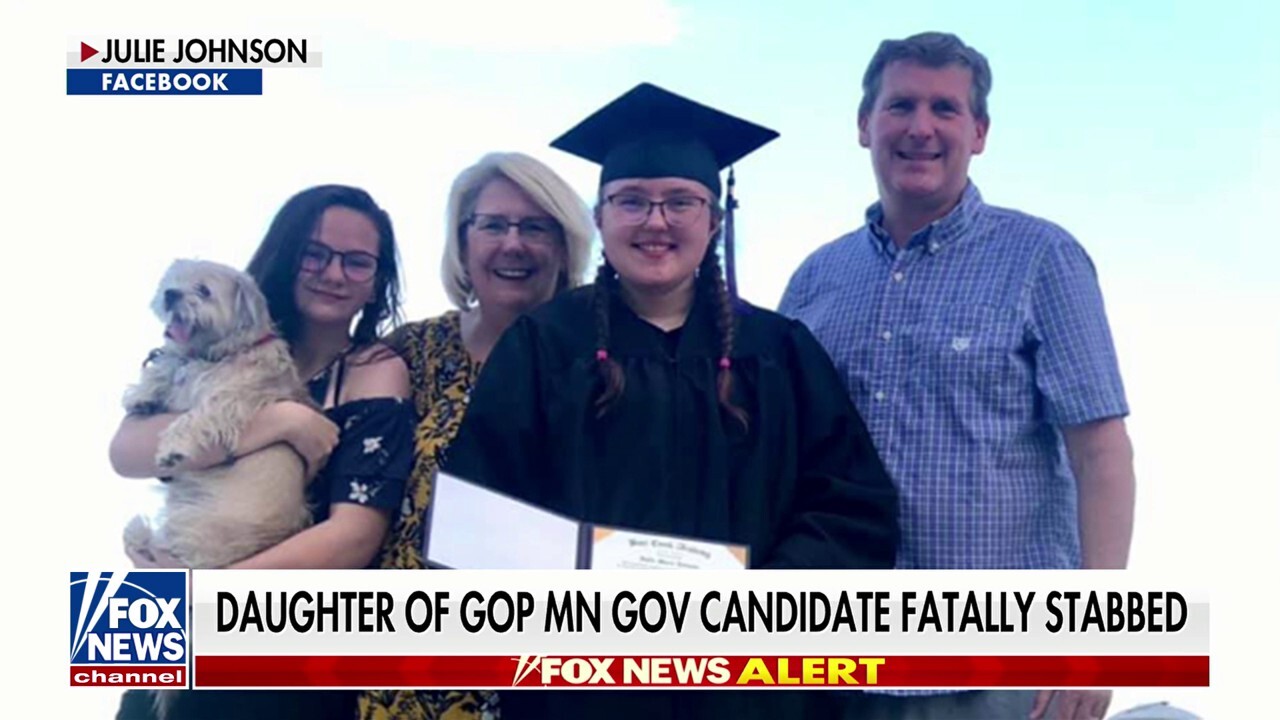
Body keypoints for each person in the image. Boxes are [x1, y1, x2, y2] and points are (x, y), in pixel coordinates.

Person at [440, 83, 900, 720]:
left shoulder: (781, 352)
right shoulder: (545, 346)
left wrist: (759, 605)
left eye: (681, 202)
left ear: (713, 221)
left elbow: (851, 509)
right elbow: (477, 515)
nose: (655, 222)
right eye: (631, 201)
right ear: (600, 219)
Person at [779, 31, 1136, 720]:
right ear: (864, 125)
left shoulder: (1042, 259)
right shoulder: (817, 280)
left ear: (979, 133)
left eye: (945, 108)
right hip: (841, 671)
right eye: (901, 105)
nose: (921, 127)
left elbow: (1101, 454)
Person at [111, 184, 413, 720]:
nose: (334, 274)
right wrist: (281, 421)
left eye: (357, 262)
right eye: (315, 254)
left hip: (274, 635)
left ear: (376, 282)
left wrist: (207, 597)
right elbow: (126, 453)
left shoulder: (375, 370)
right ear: (286, 254)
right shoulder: (201, 341)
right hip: (160, 612)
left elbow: (354, 537)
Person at [357, 152, 594, 720]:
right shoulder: (410, 352)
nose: (513, 244)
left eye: (535, 227)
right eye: (492, 225)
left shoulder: (602, 361)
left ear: (565, 248)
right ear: (462, 243)